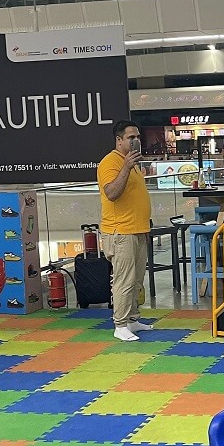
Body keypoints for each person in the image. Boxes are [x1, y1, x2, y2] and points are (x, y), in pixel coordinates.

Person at [98, 121, 154, 342]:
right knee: (123, 280)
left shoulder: (132, 162)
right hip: (120, 232)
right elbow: (112, 193)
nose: (135, 141)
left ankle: (132, 319)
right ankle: (120, 324)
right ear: (118, 140)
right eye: (130, 137)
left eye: (137, 136)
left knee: (136, 279)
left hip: (138, 229)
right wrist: (126, 167)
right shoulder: (110, 163)